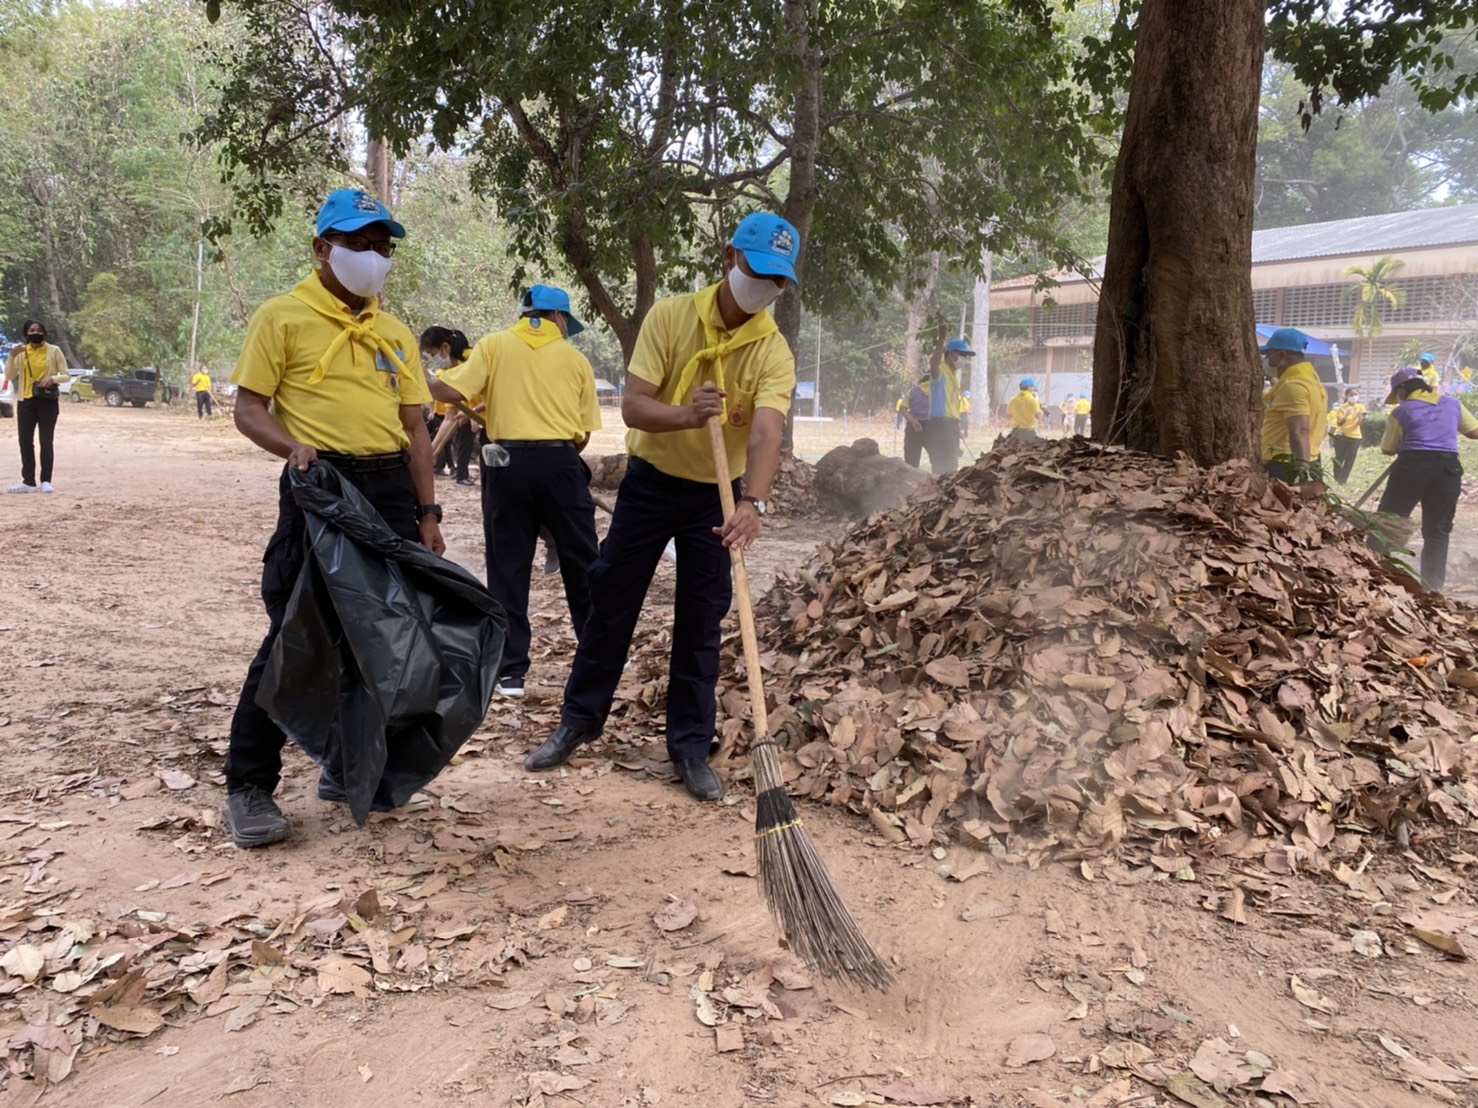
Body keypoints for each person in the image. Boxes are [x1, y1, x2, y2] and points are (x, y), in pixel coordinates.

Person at [524, 212, 800, 802]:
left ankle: (690, 747)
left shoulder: (772, 349)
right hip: (649, 484)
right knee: (611, 600)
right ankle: (580, 720)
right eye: (760, 271)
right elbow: (635, 406)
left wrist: (754, 501)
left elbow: (766, 432)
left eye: (780, 280)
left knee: (702, 620)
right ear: (731, 258)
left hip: (716, 499)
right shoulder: (671, 317)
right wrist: (688, 415)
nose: (767, 288)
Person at [221, 188, 442, 849]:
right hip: (322, 488)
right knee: (296, 635)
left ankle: (348, 766)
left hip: (390, 492)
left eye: (382, 246)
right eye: (357, 244)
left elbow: (416, 430)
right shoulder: (283, 318)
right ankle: (248, 784)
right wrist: (290, 446)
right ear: (322, 248)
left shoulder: (395, 332)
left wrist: (427, 512)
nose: (372, 257)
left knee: (379, 636)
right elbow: (249, 407)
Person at [429, 286, 601, 698]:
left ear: (526, 315)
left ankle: (511, 672)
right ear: (559, 318)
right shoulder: (576, 360)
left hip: (507, 466)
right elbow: (585, 434)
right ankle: (599, 652)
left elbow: (448, 392)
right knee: (583, 561)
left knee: (508, 563)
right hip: (562, 464)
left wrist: (410, 376)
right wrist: (555, 455)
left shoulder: (493, 347)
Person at [1372, 367, 1478, 592]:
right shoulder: (1453, 404)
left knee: (1387, 522)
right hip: (1448, 469)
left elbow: (1387, 449)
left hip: (1411, 466)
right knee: (1437, 530)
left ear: (1402, 389)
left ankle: (1370, 574)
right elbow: (1474, 432)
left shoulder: (1402, 411)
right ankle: (1432, 588)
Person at [5, 321, 66, 494]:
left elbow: (66, 374)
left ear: (44, 333)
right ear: (26, 334)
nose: (35, 333)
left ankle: (46, 480)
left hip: (48, 401)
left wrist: (53, 379)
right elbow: (9, 375)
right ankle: (28, 481)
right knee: (25, 441)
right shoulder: (21, 353)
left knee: (46, 441)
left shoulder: (54, 351)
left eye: (39, 330)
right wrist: (11, 356)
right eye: (31, 331)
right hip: (26, 401)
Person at [1259, 328, 1326, 484]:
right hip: (1310, 458)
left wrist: (1302, 470)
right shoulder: (1311, 381)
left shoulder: (1293, 385)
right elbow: (1283, 400)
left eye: (1268, 355)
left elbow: (1300, 430)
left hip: (1285, 463)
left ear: (1282, 355)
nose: (1266, 360)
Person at [421, 327, 478, 486]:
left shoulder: (473, 359)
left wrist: (476, 411)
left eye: (432, 354)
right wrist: (430, 451)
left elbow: (499, 391)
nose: (433, 359)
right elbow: (449, 418)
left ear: (445, 347)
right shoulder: (449, 373)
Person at [924, 327, 970, 474]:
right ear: (951, 354)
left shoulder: (952, 375)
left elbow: (952, 406)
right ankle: (937, 494)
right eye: (962, 354)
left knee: (952, 465)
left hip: (950, 426)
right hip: (940, 426)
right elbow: (933, 364)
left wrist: (956, 429)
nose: (965, 359)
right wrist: (941, 339)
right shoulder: (941, 371)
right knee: (942, 467)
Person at [1328, 386, 1365, 485]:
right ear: (1347, 396)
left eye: (1356, 394)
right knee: (1339, 458)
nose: (1354, 397)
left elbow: (1360, 423)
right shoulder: (1341, 408)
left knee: (1350, 459)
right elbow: (1339, 423)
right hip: (1342, 436)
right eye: (1351, 395)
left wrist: (1362, 418)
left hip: (1355, 436)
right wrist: (1346, 416)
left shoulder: (1360, 407)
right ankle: (1337, 477)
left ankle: (1342, 480)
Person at [903, 373, 930, 468]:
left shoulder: (912, 391)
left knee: (911, 462)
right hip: (932, 427)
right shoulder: (938, 392)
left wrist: (913, 421)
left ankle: (912, 482)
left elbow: (902, 408)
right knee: (938, 460)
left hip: (913, 426)